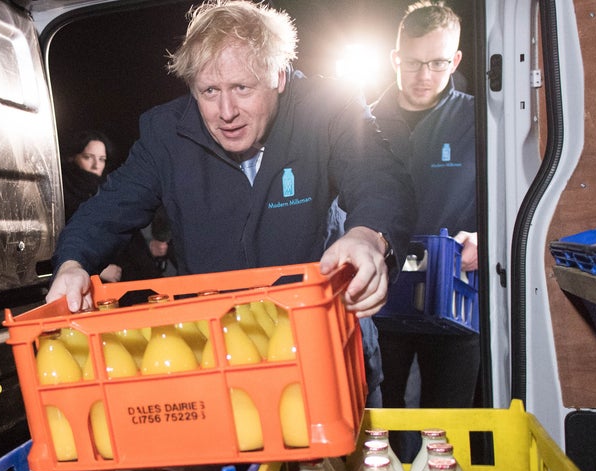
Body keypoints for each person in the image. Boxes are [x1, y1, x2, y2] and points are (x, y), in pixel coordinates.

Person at [46, 0, 414, 335]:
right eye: (209, 91)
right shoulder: (165, 135)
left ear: (279, 76)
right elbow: (106, 210)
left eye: (242, 87)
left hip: (325, 338)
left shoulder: (328, 109)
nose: (226, 112)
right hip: (221, 347)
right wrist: (71, 264)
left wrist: (367, 235)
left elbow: (379, 175)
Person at [370, 1, 480, 409]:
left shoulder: (480, 121)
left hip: (455, 298)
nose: (424, 76)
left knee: (449, 428)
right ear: (395, 58)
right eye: (413, 63)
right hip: (383, 299)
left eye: (437, 63)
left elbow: (512, 199)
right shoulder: (362, 123)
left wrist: (485, 238)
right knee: (379, 421)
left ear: (456, 60)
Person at [61, 130, 161, 283]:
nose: (96, 165)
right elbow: (65, 239)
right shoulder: (64, 195)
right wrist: (95, 269)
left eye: (102, 159)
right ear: (72, 157)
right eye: (88, 157)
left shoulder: (109, 190)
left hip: (131, 275)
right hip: (98, 282)